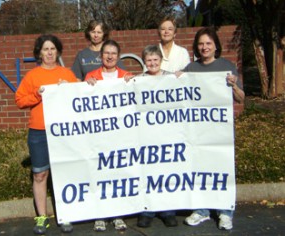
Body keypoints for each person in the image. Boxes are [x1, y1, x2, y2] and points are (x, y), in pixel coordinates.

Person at [182, 27, 245, 230]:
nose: (204, 47)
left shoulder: (226, 66)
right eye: (201, 44)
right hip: (198, 132)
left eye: (208, 43)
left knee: (222, 168)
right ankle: (202, 210)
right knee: (200, 170)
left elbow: (241, 98)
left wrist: (234, 85)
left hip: (220, 131)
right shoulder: (191, 68)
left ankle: (225, 212)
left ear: (215, 45)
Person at [15, 34, 78, 235]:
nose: (49, 53)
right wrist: (37, 94)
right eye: (45, 49)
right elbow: (19, 100)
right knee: (40, 174)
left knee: (64, 173)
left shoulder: (67, 74)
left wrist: (70, 90)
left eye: (52, 49)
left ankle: (65, 214)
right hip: (39, 132)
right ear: (39, 53)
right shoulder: (32, 76)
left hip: (63, 131)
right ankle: (42, 217)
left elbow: (82, 97)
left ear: (57, 51)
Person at [84, 39, 132, 232]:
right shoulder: (91, 76)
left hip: (121, 135)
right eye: (106, 53)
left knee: (118, 173)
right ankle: (100, 214)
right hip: (99, 135)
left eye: (113, 53)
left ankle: (118, 213)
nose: (110, 56)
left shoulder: (127, 76)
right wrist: (85, 86)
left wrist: (134, 83)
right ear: (101, 56)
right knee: (99, 173)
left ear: (118, 56)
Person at [135, 45, 178, 228]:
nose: (152, 63)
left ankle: (168, 211)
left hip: (167, 135)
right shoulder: (139, 80)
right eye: (148, 60)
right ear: (144, 62)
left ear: (161, 60)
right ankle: (147, 211)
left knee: (166, 172)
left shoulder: (171, 78)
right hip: (146, 136)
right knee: (147, 173)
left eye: (155, 60)